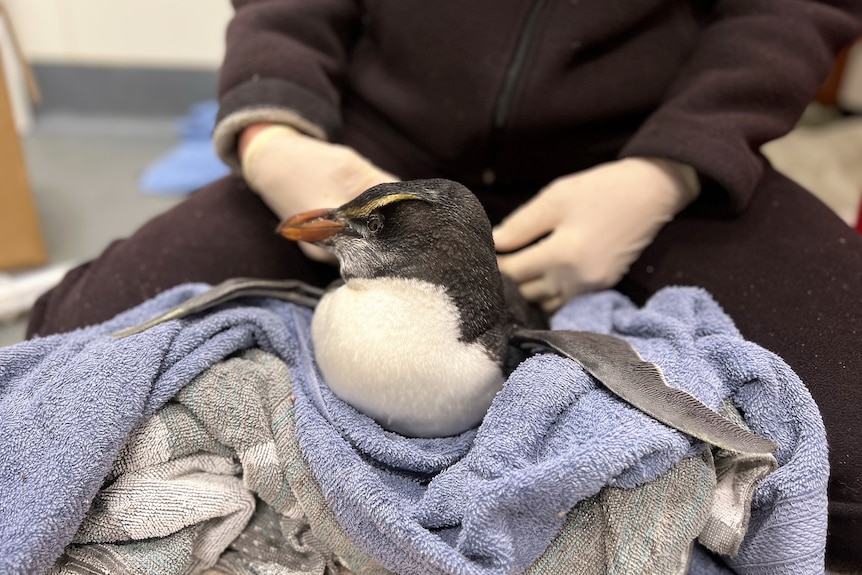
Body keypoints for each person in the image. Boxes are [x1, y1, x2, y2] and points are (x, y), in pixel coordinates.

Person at [27, 1, 862, 568]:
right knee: (72, 340)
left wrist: (674, 167)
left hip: (633, 149)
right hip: (375, 156)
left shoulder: (656, 164)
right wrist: (274, 135)